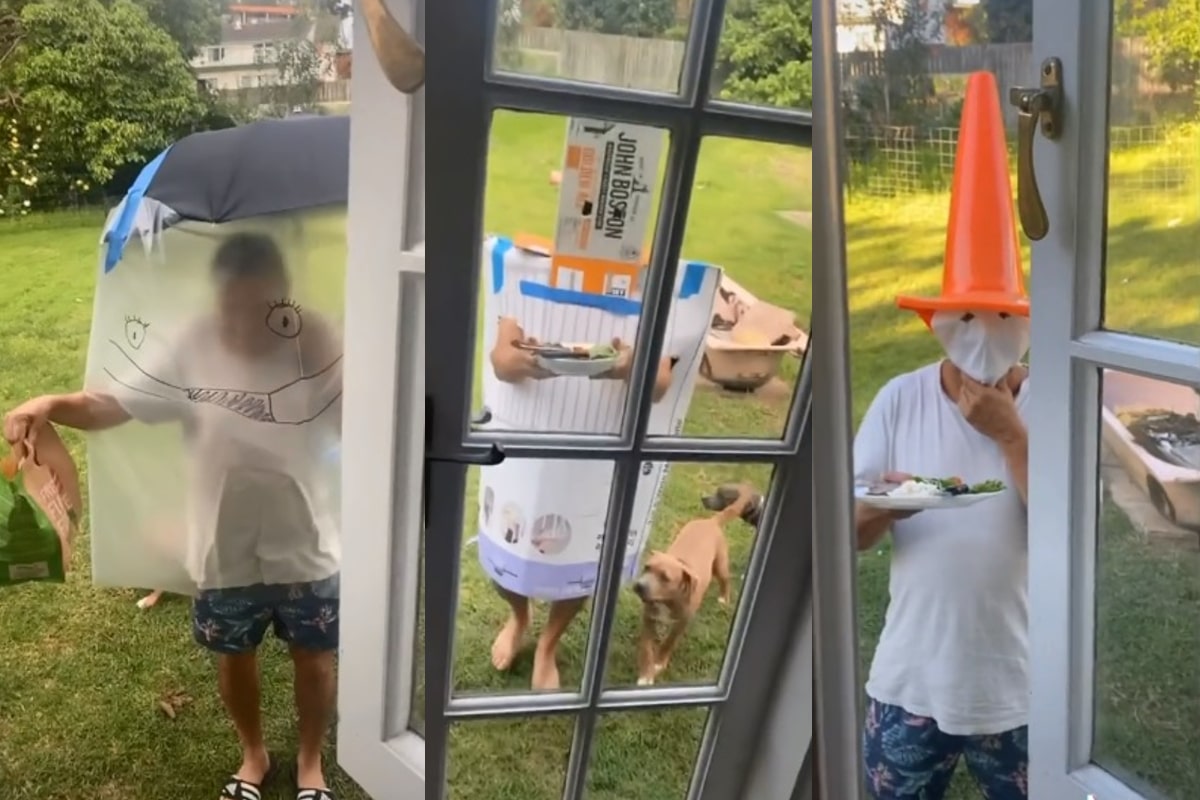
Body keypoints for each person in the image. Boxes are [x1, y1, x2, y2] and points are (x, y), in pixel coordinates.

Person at [4, 232, 344, 800]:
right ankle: (253, 755)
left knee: (314, 656)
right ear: (218, 298)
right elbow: (112, 404)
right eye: (232, 307)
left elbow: (361, 416)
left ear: (283, 296)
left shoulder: (319, 337)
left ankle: (311, 762)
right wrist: (48, 405)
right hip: (221, 545)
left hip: (305, 541)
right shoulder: (194, 343)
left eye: (260, 308)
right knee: (234, 655)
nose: (243, 323)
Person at [852, 72, 1031, 800]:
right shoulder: (899, 401)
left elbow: (1070, 534)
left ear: (1027, 324)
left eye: (1001, 320)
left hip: (1019, 687)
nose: (983, 339)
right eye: (965, 318)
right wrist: (898, 501)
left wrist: (1012, 437)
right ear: (937, 321)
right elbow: (853, 531)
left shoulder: (1049, 404)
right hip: (912, 682)